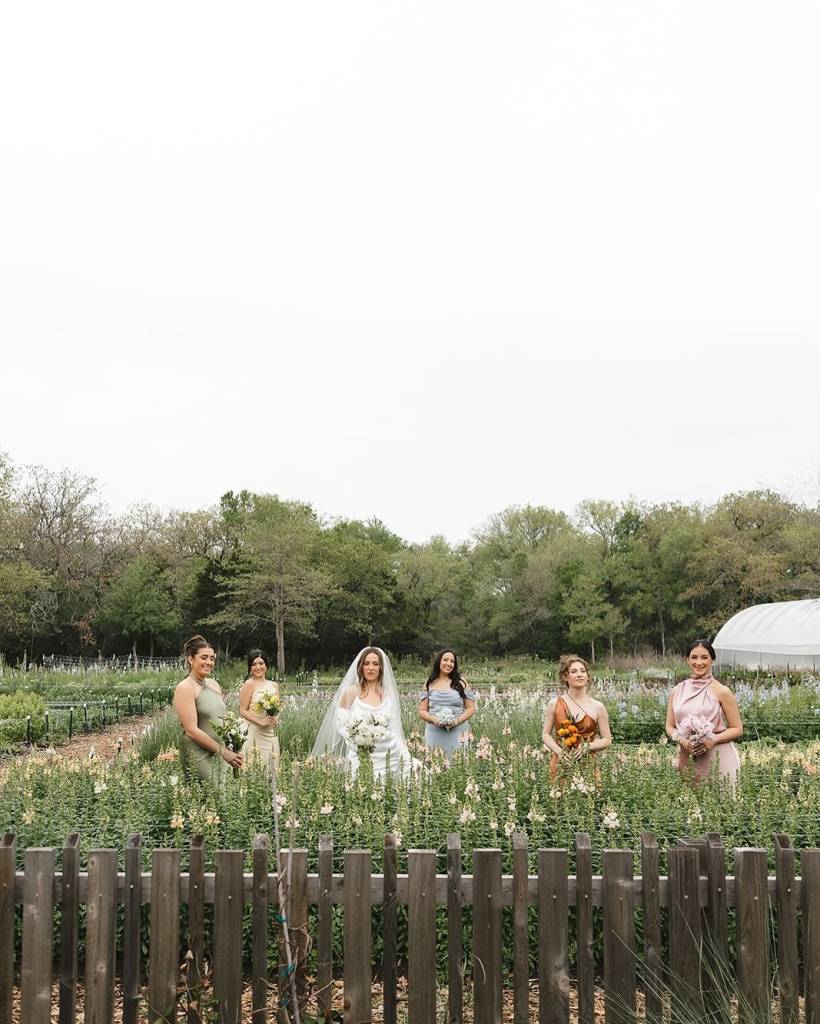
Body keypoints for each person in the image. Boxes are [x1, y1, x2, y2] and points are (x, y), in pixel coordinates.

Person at [311, 646, 416, 778]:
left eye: (375, 664)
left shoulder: (388, 695)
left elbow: (395, 728)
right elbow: (341, 725)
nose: (370, 668)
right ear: (361, 667)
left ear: (381, 668)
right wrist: (360, 742)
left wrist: (403, 752)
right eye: (366, 663)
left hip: (390, 754)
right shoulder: (351, 693)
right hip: (361, 753)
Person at [666, 639, 742, 784]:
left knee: (724, 805)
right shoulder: (676, 691)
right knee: (692, 805)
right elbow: (669, 727)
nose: (699, 662)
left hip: (719, 759)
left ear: (712, 660)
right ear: (687, 660)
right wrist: (681, 740)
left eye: (704, 657)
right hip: (687, 759)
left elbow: (737, 729)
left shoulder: (722, 691)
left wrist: (712, 740)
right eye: (694, 657)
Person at [174, 635, 242, 785]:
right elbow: (191, 730)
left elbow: (220, 719)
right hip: (197, 752)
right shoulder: (185, 687)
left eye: (212, 658)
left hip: (219, 751)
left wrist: (232, 746)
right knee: (213, 795)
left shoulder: (214, 684)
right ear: (191, 659)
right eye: (204, 658)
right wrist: (224, 752)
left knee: (226, 796)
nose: (209, 662)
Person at [542, 654, 612, 777]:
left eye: (583, 671)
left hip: (588, 763)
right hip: (562, 762)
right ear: (565, 677)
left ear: (587, 676)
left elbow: (607, 740)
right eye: (574, 671)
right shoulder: (554, 704)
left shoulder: (598, 707)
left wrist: (586, 747)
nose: (580, 674)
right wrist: (559, 752)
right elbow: (545, 734)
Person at [418, 649, 476, 758]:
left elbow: (471, 708)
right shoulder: (429, 683)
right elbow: (421, 710)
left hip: (458, 732)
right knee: (435, 762)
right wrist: (433, 719)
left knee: (458, 764)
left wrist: (457, 721)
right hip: (434, 731)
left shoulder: (461, 683)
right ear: (439, 661)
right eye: (445, 660)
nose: (449, 664)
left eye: (452, 661)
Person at [239, 650, 281, 773]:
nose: (258, 667)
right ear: (250, 668)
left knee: (271, 767)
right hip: (252, 731)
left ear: (266, 665)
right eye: (254, 664)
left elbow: (277, 708)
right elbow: (242, 710)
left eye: (261, 663)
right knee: (250, 767)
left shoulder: (274, 685)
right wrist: (260, 721)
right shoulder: (249, 684)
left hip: (269, 732)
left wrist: (276, 718)